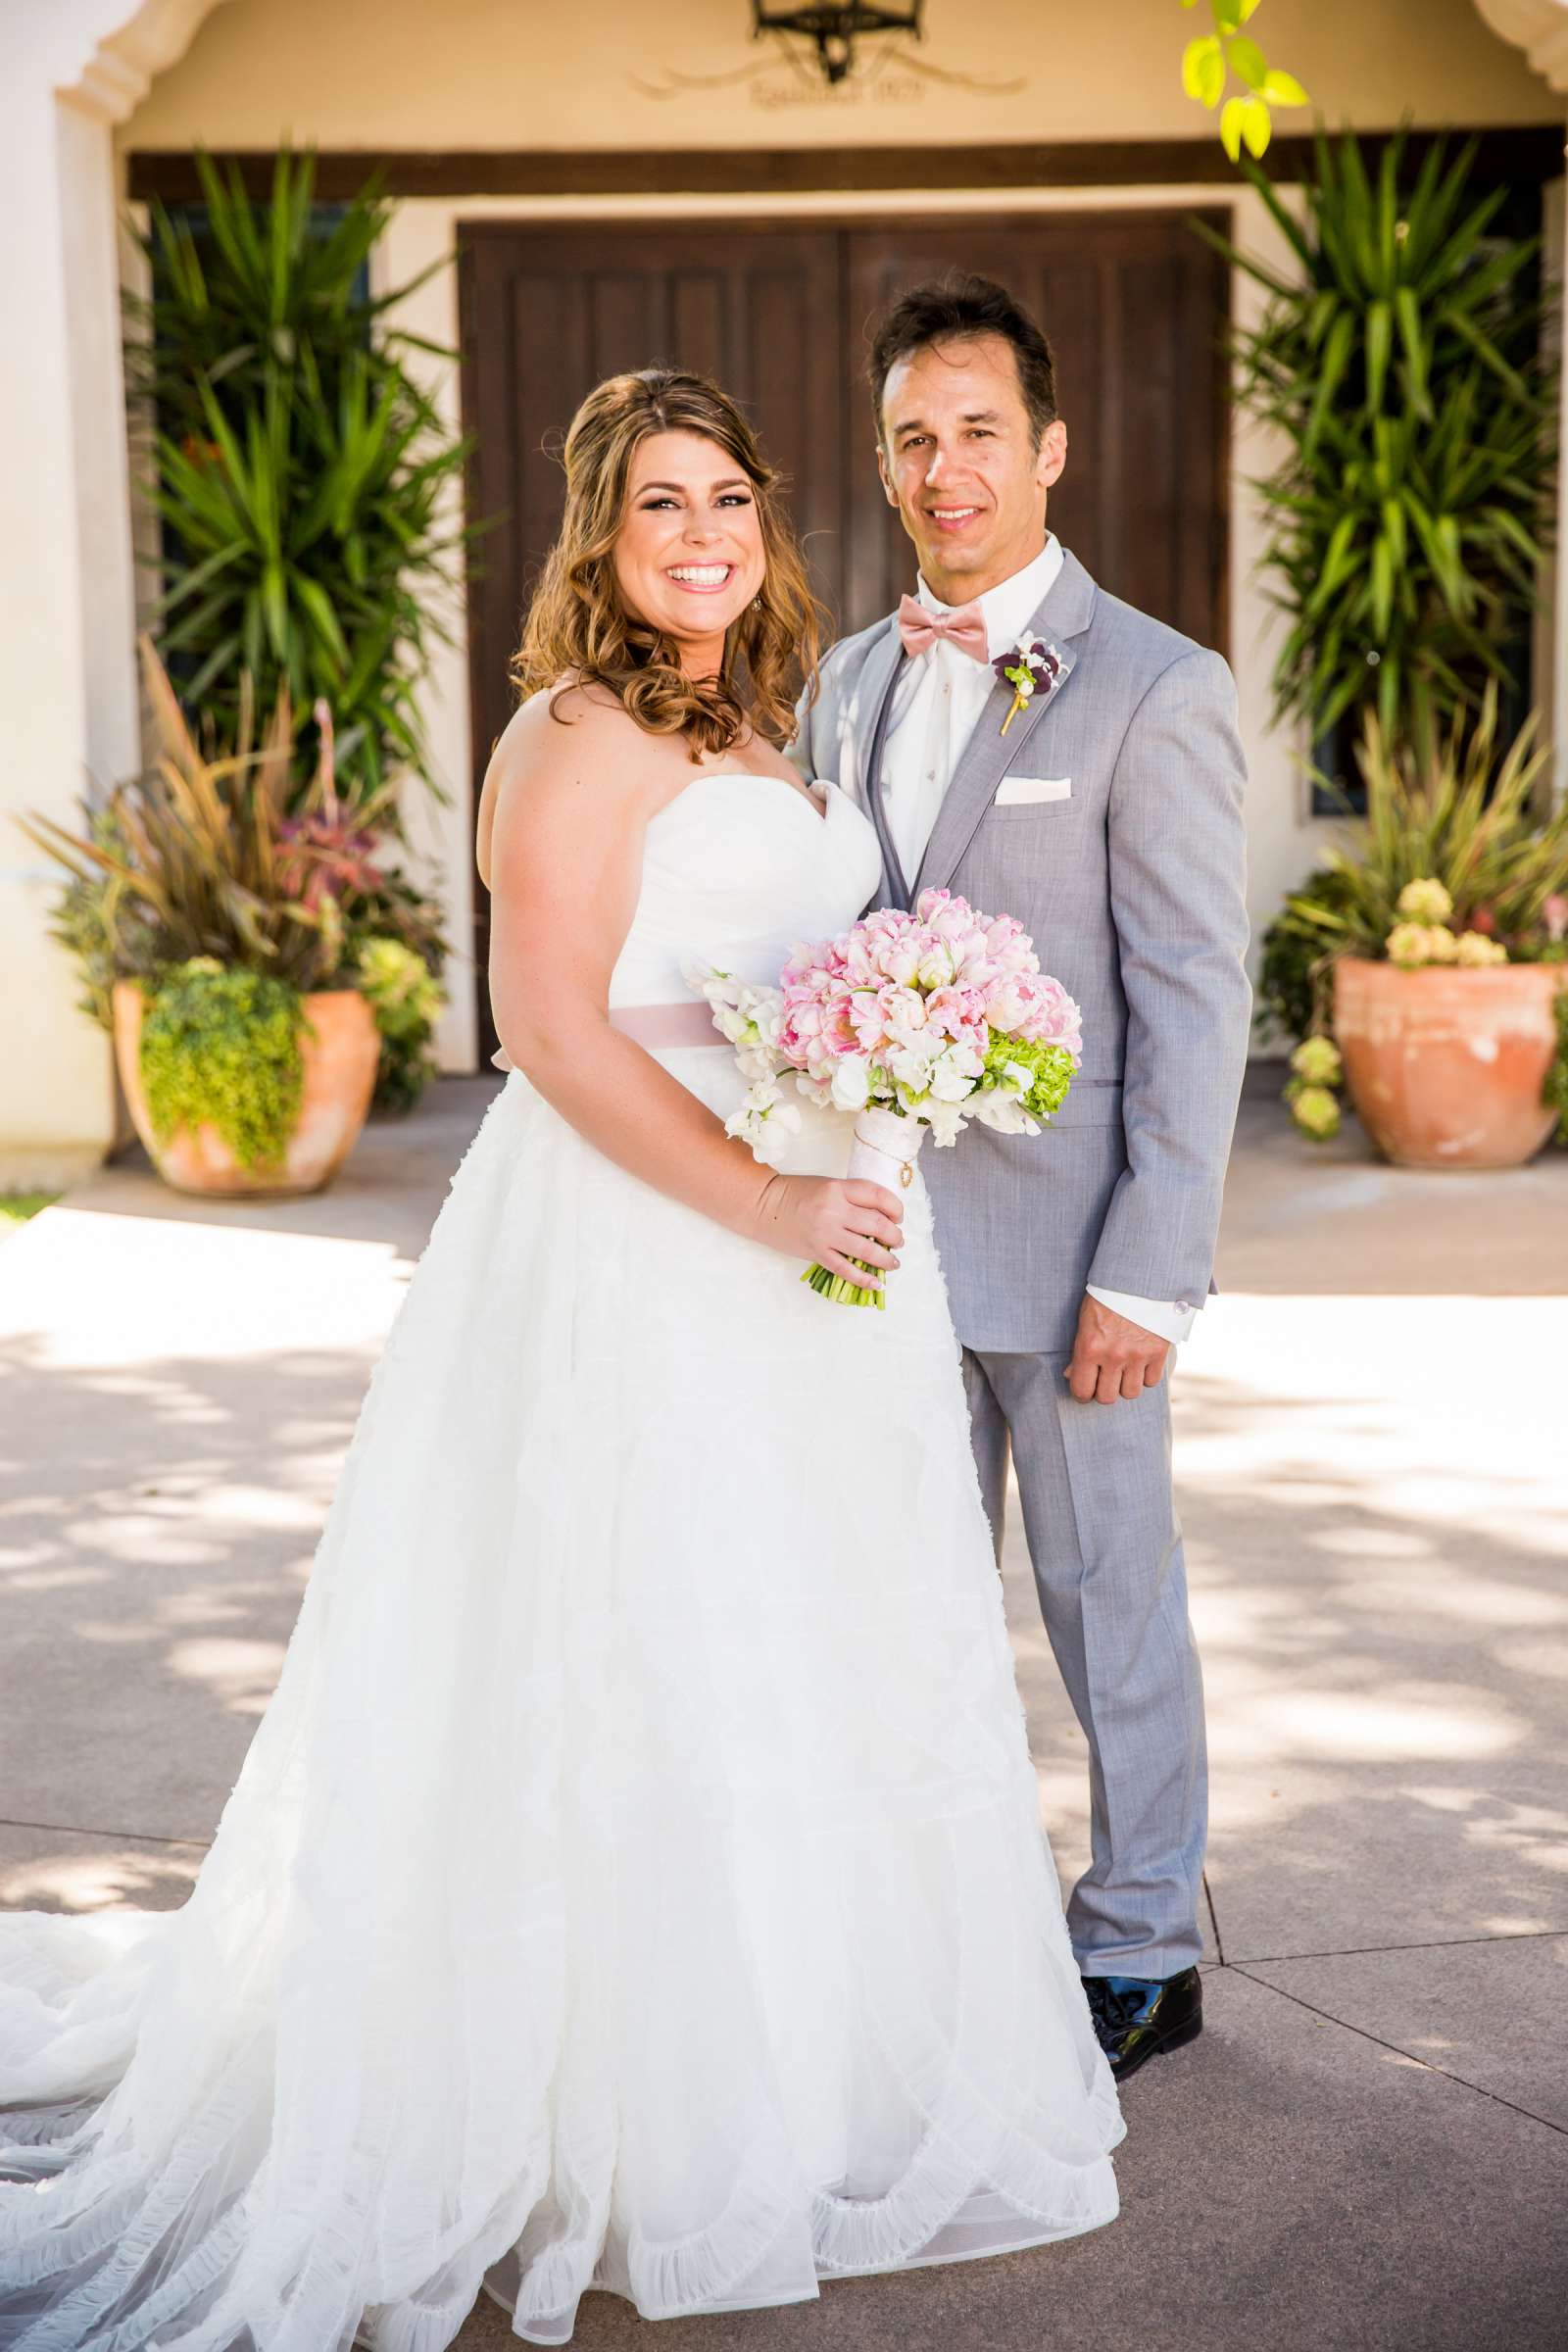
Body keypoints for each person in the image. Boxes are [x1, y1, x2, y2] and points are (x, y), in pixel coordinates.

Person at [0, 367, 1120, 2351]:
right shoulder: (579, 736)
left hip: (815, 1265)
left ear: (766, 525)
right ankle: (623, 2110)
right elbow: (556, 1033)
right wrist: (766, 1199)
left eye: (726, 500)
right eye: (653, 507)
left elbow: (771, 972)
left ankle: (805, 2064)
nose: (698, 535)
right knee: (640, 1646)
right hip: (653, 1252)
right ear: (599, 546)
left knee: (797, 1645)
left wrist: (885, 1066)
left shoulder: (765, 723)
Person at [793, 274, 1251, 2082]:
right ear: (886, 463)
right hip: (877, 1249)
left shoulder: (1157, 686)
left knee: (1106, 1601)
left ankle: (1146, 1938)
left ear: (1048, 448)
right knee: (896, 1602)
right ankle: (945, 1925)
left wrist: (1153, 1271)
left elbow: (1198, 998)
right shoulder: (843, 681)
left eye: (980, 430)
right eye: (913, 436)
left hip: (1073, 1265)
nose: (945, 466)